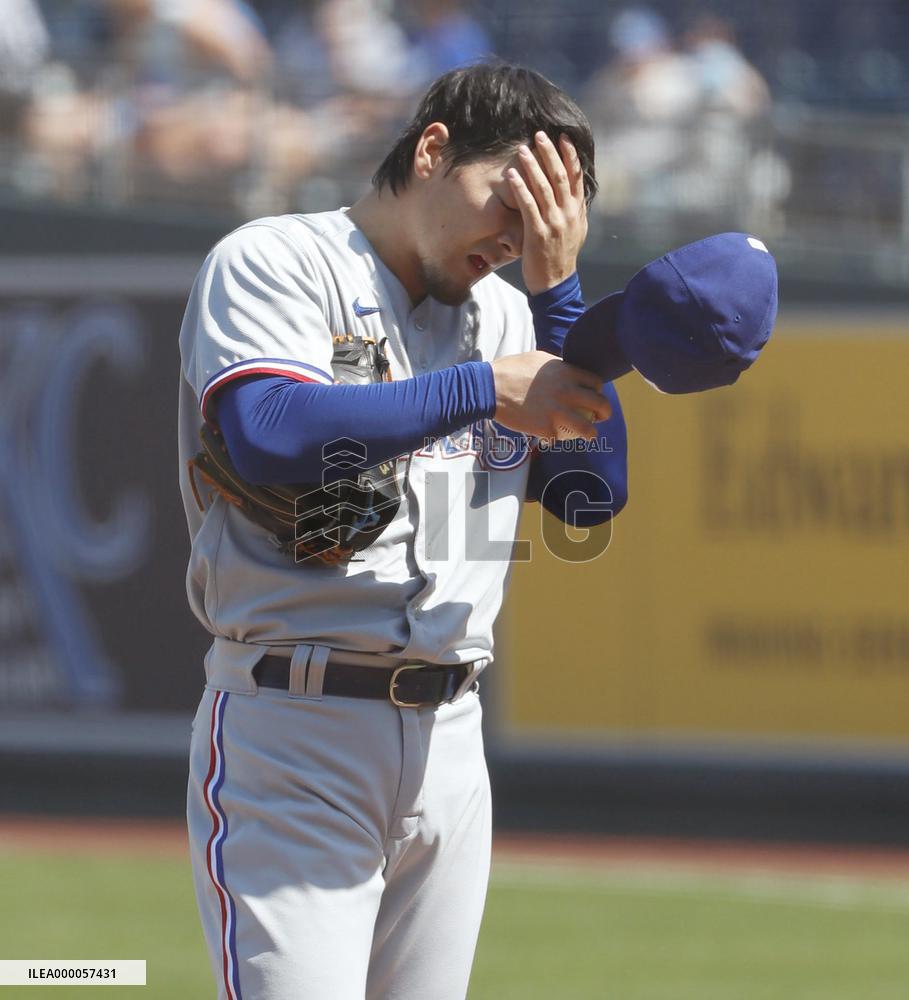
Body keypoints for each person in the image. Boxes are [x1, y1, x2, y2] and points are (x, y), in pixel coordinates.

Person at [178, 62, 627, 1000]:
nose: (516, 237)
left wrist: (562, 295)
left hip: (452, 748)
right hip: (295, 727)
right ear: (431, 150)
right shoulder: (278, 260)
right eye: (511, 199)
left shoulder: (513, 313)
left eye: (549, 218)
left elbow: (591, 497)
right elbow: (268, 433)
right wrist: (484, 388)